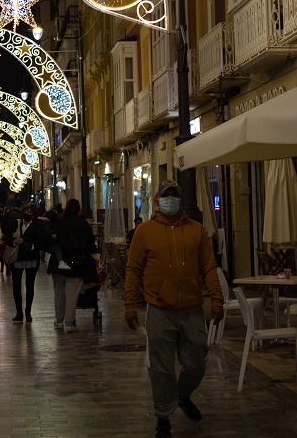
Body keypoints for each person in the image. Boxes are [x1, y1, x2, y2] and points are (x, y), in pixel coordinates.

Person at [123, 180, 224, 438]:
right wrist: (130, 304)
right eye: (166, 195)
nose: (170, 199)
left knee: (196, 363)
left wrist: (216, 299)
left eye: (174, 195)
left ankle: (182, 395)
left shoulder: (196, 231)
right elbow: (133, 269)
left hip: (191, 309)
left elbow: (208, 268)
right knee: (161, 368)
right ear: (157, 199)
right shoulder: (144, 232)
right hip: (159, 309)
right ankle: (163, 417)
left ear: (179, 198)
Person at [47, 198, 95, 333]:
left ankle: (59, 320)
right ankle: (69, 322)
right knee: (72, 294)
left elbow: (52, 240)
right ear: (78, 209)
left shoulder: (59, 223)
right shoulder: (83, 223)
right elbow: (91, 243)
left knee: (59, 293)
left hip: (58, 263)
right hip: (76, 264)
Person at [4, 203, 49, 322]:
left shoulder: (38, 225)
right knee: (16, 285)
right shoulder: (16, 223)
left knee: (30, 286)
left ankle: (28, 311)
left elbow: (43, 241)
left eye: (30, 211)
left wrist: (32, 246)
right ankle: (19, 312)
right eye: (26, 211)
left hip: (31, 258)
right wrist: (14, 241)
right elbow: (6, 237)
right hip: (17, 257)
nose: (28, 213)